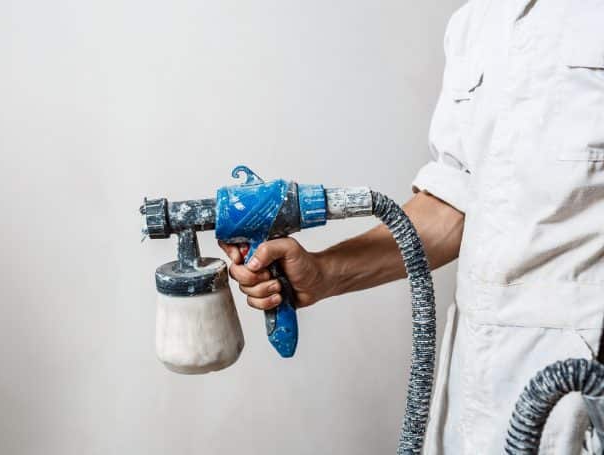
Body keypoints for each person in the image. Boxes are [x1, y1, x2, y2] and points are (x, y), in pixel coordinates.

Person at [219, 1, 604, 453]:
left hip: (587, 383)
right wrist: (325, 272)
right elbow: (455, 206)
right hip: (478, 386)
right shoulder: (477, 22)